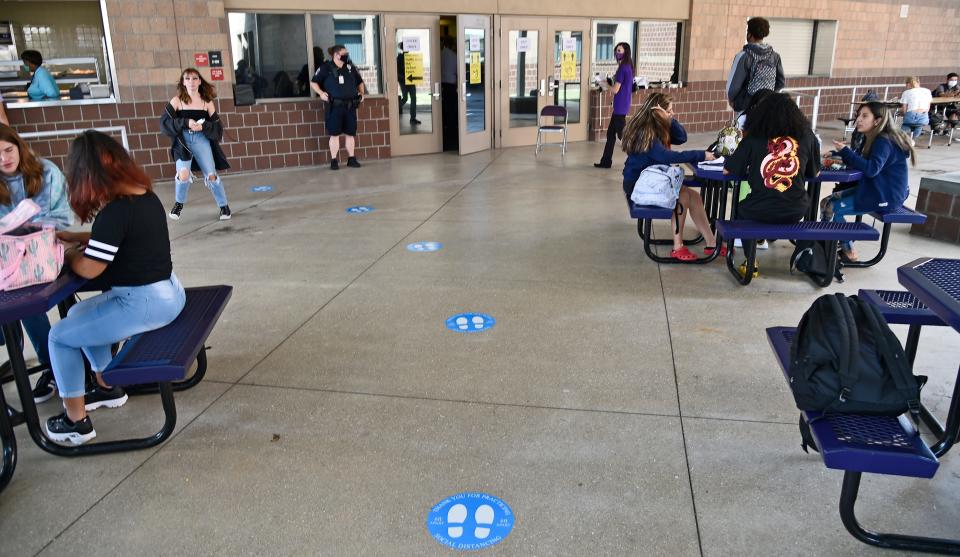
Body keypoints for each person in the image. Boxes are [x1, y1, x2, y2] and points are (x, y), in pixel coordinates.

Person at [45, 131, 186, 445]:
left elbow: (90, 267)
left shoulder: (115, 212)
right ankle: (107, 385)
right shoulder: (142, 195)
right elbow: (113, 240)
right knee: (80, 312)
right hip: (168, 293)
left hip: (145, 302)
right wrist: (80, 239)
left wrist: (67, 253)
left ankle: (75, 421)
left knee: (59, 337)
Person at [0, 125, 73, 403]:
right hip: (9, 263)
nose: (4, 159)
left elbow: (63, 218)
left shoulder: (45, 171)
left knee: (24, 300)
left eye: (8, 150)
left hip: (46, 254)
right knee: (13, 295)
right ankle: (49, 364)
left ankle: (54, 365)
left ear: (19, 146)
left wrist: (30, 226)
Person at [622, 92, 721, 261]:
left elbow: (682, 137)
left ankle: (711, 242)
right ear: (657, 112)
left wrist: (669, 118)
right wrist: (700, 155)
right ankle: (678, 246)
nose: (672, 113)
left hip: (653, 180)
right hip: (639, 184)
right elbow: (668, 157)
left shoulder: (658, 126)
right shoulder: (647, 132)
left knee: (694, 196)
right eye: (669, 110)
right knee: (682, 196)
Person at [822, 101, 916, 262]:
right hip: (875, 189)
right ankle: (824, 241)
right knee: (827, 201)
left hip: (886, 196)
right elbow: (859, 159)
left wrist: (845, 152)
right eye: (858, 115)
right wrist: (838, 154)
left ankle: (848, 251)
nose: (858, 119)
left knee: (834, 208)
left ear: (877, 121)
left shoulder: (883, 140)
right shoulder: (873, 137)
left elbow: (871, 169)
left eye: (865, 116)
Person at [724, 93, 820, 225]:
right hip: (797, 209)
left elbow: (728, 170)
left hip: (759, 208)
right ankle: (800, 245)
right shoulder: (807, 136)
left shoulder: (753, 137)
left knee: (739, 209)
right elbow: (815, 173)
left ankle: (733, 244)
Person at [160, 68, 232, 221]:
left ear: (199, 81)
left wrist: (203, 126)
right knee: (183, 173)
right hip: (183, 141)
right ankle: (179, 203)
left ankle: (224, 206)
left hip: (201, 140)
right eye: (187, 78)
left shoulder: (207, 102)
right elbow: (164, 123)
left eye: (194, 78)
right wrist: (185, 122)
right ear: (183, 82)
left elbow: (217, 128)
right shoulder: (177, 101)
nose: (191, 82)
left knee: (211, 174)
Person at [311, 45, 366, 170]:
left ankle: (351, 159)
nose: (346, 56)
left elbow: (360, 82)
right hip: (334, 107)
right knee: (334, 134)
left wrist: (361, 93)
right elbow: (313, 82)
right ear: (336, 55)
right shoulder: (326, 68)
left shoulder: (350, 68)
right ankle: (334, 160)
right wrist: (320, 93)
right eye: (344, 54)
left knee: (350, 134)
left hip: (350, 106)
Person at [726, 17, 784, 114]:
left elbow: (733, 85)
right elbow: (781, 82)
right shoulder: (775, 56)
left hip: (746, 106)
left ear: (750, 34)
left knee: (744, 129)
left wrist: (732, 101)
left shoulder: (744, 56)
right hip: (767, 106)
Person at [594, 42, 635, 169]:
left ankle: (637, 158)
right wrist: (608, 82)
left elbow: (616, 90)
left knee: (623, 135)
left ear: (625, 52)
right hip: (621, 104)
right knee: (611, 134)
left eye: (620, 51)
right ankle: (606, 161)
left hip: (620, 105)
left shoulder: (623, 68)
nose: (617, 53)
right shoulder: (627, 66)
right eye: (616, 50)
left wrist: (603, 84)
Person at [440, 37, 459, 151]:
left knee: (444, 108)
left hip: (442, 85)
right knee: (452, 108)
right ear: (451, 44)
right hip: (451, 86)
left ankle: (444, 129)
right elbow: (458, 72)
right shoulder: (453, 56)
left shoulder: (440, 54)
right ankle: (452, 131)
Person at [397, 43, 420, 125]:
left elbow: (415, 69)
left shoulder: (412, 57)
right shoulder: (399, 58)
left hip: (410, 81)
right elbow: (396, 71)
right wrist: (402, 78)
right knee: (406, 98)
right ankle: (395, 110)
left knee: (413, 98)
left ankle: (413, 118)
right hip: (403, 81)